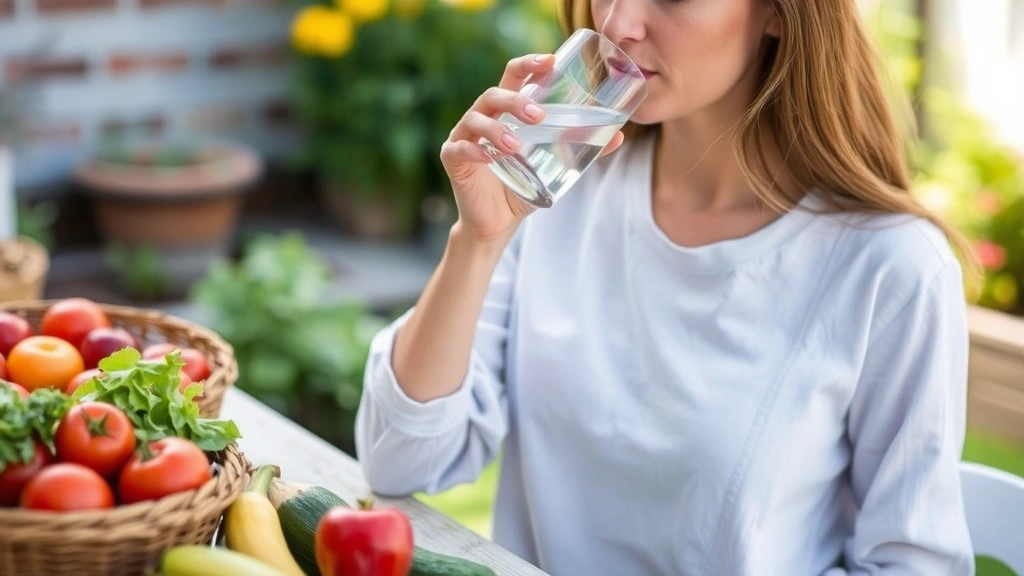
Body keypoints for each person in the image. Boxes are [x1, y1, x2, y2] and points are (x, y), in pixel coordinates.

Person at [354, 0, 977, 573]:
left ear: (779, 14)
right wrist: (478, 240)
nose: (620, 22)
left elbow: (917, 564)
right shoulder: (558, 189)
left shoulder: (890, 269)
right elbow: (399, 458)